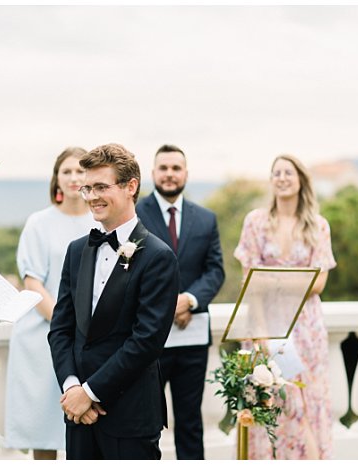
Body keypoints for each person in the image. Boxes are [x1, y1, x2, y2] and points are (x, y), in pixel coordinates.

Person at [48, 143, 178, 460]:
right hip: (78, 416)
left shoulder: (159, 256)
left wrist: (91, 394)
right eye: (88, 188)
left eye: (101, 187)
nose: (91, 196)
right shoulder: (77, 250)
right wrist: (72, 388)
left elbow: (146, 341)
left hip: (129, 416)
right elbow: (61, 329)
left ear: (130, 186)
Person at [234, 154, 335, 459]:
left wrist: (270, 279)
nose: (281, 178)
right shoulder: (256, 221)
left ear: (301, 179)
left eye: (288, 172)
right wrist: (262, 333)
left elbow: (318, 284)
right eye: (276, 173)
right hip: (265, 323)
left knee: (305, 400)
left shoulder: (318, 226)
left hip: (306, 329)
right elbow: (249, 283)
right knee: (270, 400)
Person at [7, 147, 100, 459]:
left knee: (86, 425)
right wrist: (67, 326)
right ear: (56, 180)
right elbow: (33, 282)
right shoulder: (38, 223)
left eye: (80, 171)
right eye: (67, 172)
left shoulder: (100, 223)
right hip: (43, 338)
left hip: (90, 338)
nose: (74, 178)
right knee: (44, 431)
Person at [136, 144, 224, 459]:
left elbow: (215, 271)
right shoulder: (135, 215)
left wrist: (189, 300)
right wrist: (166, 306)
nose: (170, 174)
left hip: (193, 336)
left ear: (185, 173)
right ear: (153, 173)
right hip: (149, 340)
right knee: (147, 421)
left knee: (190, 421)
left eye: (176, 168)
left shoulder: (206, 219)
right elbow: (129, 271)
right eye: (164, 168)